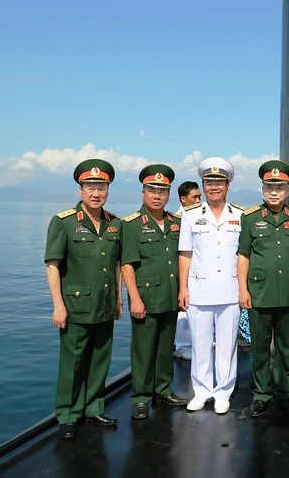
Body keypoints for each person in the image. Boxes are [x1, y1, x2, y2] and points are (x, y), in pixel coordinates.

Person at [44, 159, 123, 439]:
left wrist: (119, 298)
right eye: (90, 186)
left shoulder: (115, 224)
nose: (95, 193)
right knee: (73, 362)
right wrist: (58, 306)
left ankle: (93, 408)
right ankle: (67, 413)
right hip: (75, 306)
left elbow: (115, 265)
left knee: (101, 358)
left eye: (101, 186)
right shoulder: (64, 222)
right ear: (80, 190)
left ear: (108, 190)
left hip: (104, 304)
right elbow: (53, 266)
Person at [121, 164, 189, 420]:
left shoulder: (175, 223)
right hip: (145, 298)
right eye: (152, 190)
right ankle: (140, 396)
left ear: (169, 194)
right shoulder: (132, 225)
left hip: (170, 296)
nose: (157, 195)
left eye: (162, 190)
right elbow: (127, 264)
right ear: (143, 193)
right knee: (143, 349)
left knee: (164, 347)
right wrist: (134, 298)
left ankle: (162, 388)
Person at [177, 157, 244, 415]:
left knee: (227, 344)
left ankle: (223, 391)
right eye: (209, 182)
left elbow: (243, 255)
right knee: (200, 343)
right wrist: (182, 288)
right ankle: (202, 390)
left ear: (228, 185)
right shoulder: (191, 215)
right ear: (203, 186)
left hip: (229, 289)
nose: (214, 187)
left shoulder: (240, 215)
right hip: (199, 289)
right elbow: (185, 253)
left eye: (219, 182)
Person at [238, 160, 289, 417]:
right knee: (260, 348)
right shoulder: (250, 218)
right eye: (269, 187)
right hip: (259, 294)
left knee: (287, 347)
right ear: (263, 190)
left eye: (280, 187)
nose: (274, 192)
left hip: (288, 293)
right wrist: (242, 289)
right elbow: (243, 255)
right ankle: (261, 393)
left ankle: (286, 392)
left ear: (288, 191)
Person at [174, 181, 201, 360]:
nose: (199, 200)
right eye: (195, 197)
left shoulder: (200, 218)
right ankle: (183, 346)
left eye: (200, 196)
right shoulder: (176, 220)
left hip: (199, 273)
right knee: (183, 311)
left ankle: (199, 342)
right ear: (183, 199)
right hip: (182, 272)